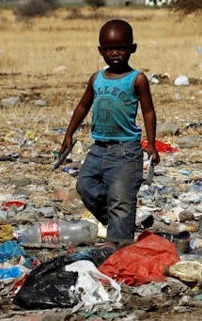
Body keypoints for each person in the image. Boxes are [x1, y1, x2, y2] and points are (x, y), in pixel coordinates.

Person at [59, 19, 159, 248]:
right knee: (84, 186)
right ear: (100, 50)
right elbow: (83, 106)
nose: (115, 53)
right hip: (98, 148)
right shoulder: (96, 78)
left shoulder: (137, 79)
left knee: (122, 198)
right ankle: (118, 225)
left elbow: (149, 112)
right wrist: (68, 134)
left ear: (133, 48)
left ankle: (119, 244)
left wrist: (151, 143)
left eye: (121, 48)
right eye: (109, 49)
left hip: (126, 152)